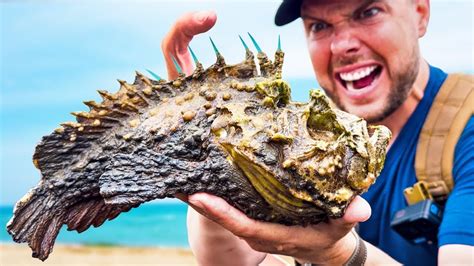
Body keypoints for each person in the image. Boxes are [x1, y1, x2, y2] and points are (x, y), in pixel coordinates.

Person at [161, 0, 474, 265]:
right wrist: (214, 156)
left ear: (420, 12)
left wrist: (340, 255)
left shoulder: (466, 127)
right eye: (319, 26)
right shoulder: (300, 140)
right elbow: (235, 259)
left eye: (368, 12)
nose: (341, 45)